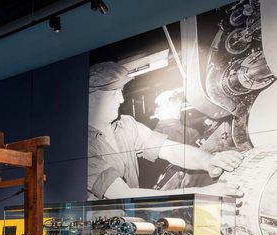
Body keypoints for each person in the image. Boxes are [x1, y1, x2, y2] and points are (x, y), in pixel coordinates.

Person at [88, 61, 244, 200]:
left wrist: (209, 161)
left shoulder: (126, 125)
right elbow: (122, 194)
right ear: (90, 97)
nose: (121, 99)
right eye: (113, 93)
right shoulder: (80, 146)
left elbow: (170, 149)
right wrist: (201, 193)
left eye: (121, 91)